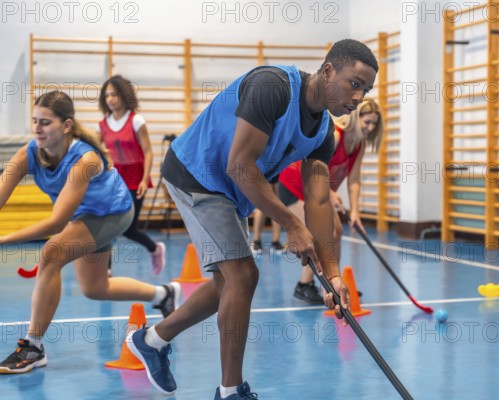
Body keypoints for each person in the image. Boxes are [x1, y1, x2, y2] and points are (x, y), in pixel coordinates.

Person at [125, 39, 378, 398]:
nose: (358, 97)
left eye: (365, 90)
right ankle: (231, 391)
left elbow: (319, 202)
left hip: (230, 190)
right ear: (327, 71)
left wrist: (333, 274)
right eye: (355, 83)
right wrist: (291, 225)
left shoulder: (323, 133)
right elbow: (240, 165)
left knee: (227, 286)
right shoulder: (273, 87)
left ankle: (151, 340)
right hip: (196, 174)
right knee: (243, 274)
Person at [0, 91, 181, 374]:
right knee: (95, 289)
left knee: (52, 253)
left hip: (114, 213)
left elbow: (56, 223)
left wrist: (3, 240)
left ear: (67, 126)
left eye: (45, 122)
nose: (37, 128)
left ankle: (33, 347)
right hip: (85, 217)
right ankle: (164, 294)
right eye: (35, 121)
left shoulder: (85, 160)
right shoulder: (28, 153)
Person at [278, 98, 383, 304]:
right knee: (319, 234)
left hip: (320, 194)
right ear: (355, 118)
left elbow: (354, 180)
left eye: (374, 124)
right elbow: (312, 167)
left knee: (336, 232)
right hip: (295, 186)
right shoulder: (336, 136)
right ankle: (304, 286)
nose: (370, 128)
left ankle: (332, 285)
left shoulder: (358, 145)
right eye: (367, 122)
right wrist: (329, 191)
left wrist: (354, 211)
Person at [98, 75, 165, 275]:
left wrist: (145, 179)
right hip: (113, 182)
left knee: (129, 228)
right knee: (107, 224)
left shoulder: (136, 120)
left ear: (124, 95)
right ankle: (107, 270)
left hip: (136, 180)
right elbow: (95, 149)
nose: (110, 98)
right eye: (107, 95)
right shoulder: (102, 125)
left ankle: (155, 248)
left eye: (115, 94)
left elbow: (148, 151)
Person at [250, 177, 285, 255]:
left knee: (275, 201)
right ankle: (257, 241)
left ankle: (275, 242)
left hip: (273, 169)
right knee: (263, 202)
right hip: (262, 170)